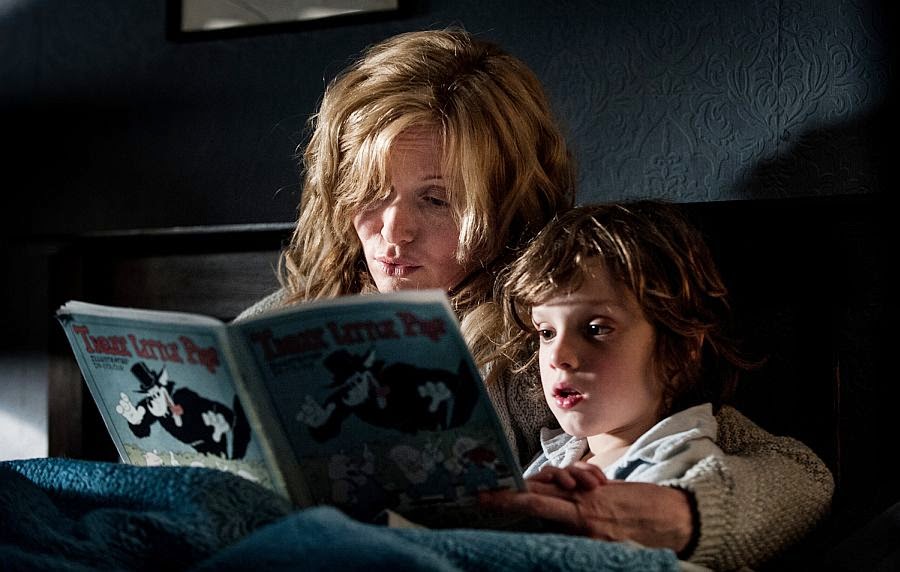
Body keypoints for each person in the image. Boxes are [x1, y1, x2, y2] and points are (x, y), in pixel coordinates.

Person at [237, 28, 834, 569]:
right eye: (370, 191)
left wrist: (682, 517)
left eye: (437, 200)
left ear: (505, 203)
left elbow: (800, 476)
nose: (393, 233)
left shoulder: (541, 337)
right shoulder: (287, 316)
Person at [484, 201, 759, 538]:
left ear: (679, 351)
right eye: (546, 332)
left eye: (596, 329)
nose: (558, 356)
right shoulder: (555, 456)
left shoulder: (684, 468)